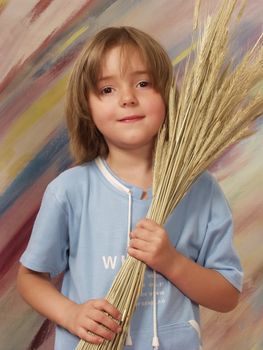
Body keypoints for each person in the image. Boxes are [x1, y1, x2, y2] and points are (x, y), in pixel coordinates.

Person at [17, 26, 243, 350]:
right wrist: (71, 314)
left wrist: (171, 262)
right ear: (87, 107)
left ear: (167, 93)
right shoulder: (69, 191)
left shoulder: (201, 190)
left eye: (143, 83)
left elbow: (227, 295)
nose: (127, 98)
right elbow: (30, 279)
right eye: (107, 90)